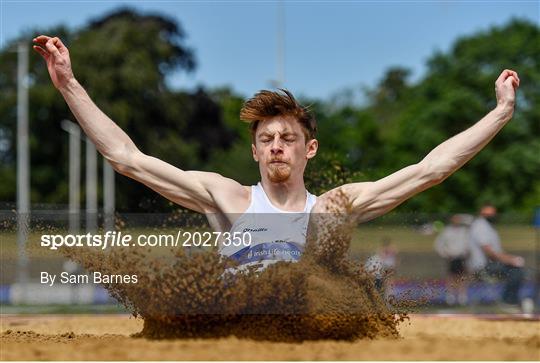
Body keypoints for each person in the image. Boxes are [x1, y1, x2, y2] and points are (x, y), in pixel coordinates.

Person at [33, 35, 521, 272]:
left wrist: (499, 113)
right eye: (266, 140)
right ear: (253, 151)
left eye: (286, 139)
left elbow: (430, 170)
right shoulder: (227, 199)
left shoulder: (333, 208)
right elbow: (127, 158)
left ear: (310, 149)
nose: (276, 147)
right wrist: (69, 84)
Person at [467, 205, 525, 308]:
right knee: (516, 272)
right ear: (482, 213)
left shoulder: (487, 226)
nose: (492, 216)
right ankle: (508, 302)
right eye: (489, 214)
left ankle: (511, 301)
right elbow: (489, 252)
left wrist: (510, 259)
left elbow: (495, 251)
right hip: (483, 267)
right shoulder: (480, 227)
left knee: (518, 270)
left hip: (489, 264)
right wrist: (511, 260)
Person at [434, 214, 473, 306]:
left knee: (462, 277)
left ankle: (462, 296)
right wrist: (445, 254)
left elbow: (469, 243)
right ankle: (450, 296)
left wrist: (467, 252)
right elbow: (438, 244)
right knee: (451, 277)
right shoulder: (446, 231)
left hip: (462, 257)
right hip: (451, 257)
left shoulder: (464, 231)